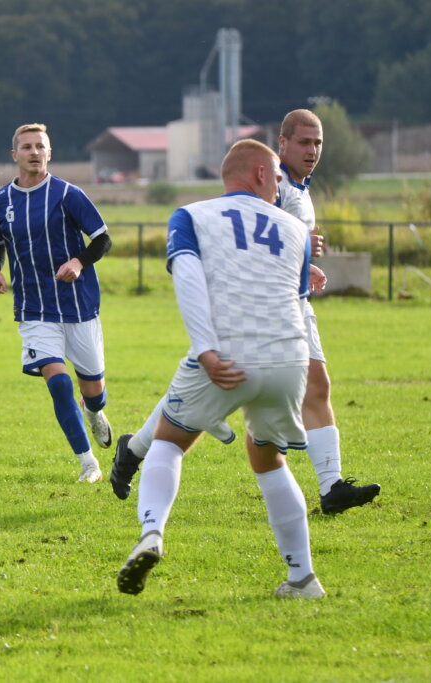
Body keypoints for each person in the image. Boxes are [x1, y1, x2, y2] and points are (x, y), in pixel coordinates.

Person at [109, 110, 381, 515]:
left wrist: (305, 263)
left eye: (318, 143)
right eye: (304, 143)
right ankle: (135, 451)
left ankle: (331, 486)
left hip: (290, 300)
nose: (312, 151)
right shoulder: (275, 183)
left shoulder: (299, 187)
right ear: (282, 145)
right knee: (209, 393)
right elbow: (254, 245)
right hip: (263, 307)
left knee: (303, 385)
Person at [116, 139, 324, 598]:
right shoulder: (294, 229)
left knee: (168, 443)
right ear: (260, 175)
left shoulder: (190, 215)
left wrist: (206, 348)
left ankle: (151, 533)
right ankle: (302, 579)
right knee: (269, 460)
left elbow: (188, 277)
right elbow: (297, 302)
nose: (279, 187)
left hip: (226, 355)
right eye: (276, 178)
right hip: (289, 357)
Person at [0, 123, 113, 483]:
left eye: (40, 146)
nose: (34, 152)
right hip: (33, 308)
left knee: (94, 391)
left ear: (49, 153)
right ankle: (88, 463)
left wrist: (78, 262)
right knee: (58, 384)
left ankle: (94, 411)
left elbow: (102, 240)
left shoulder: (68, 194)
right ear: (15, 155)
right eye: (26, 147)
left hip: (78, 306)